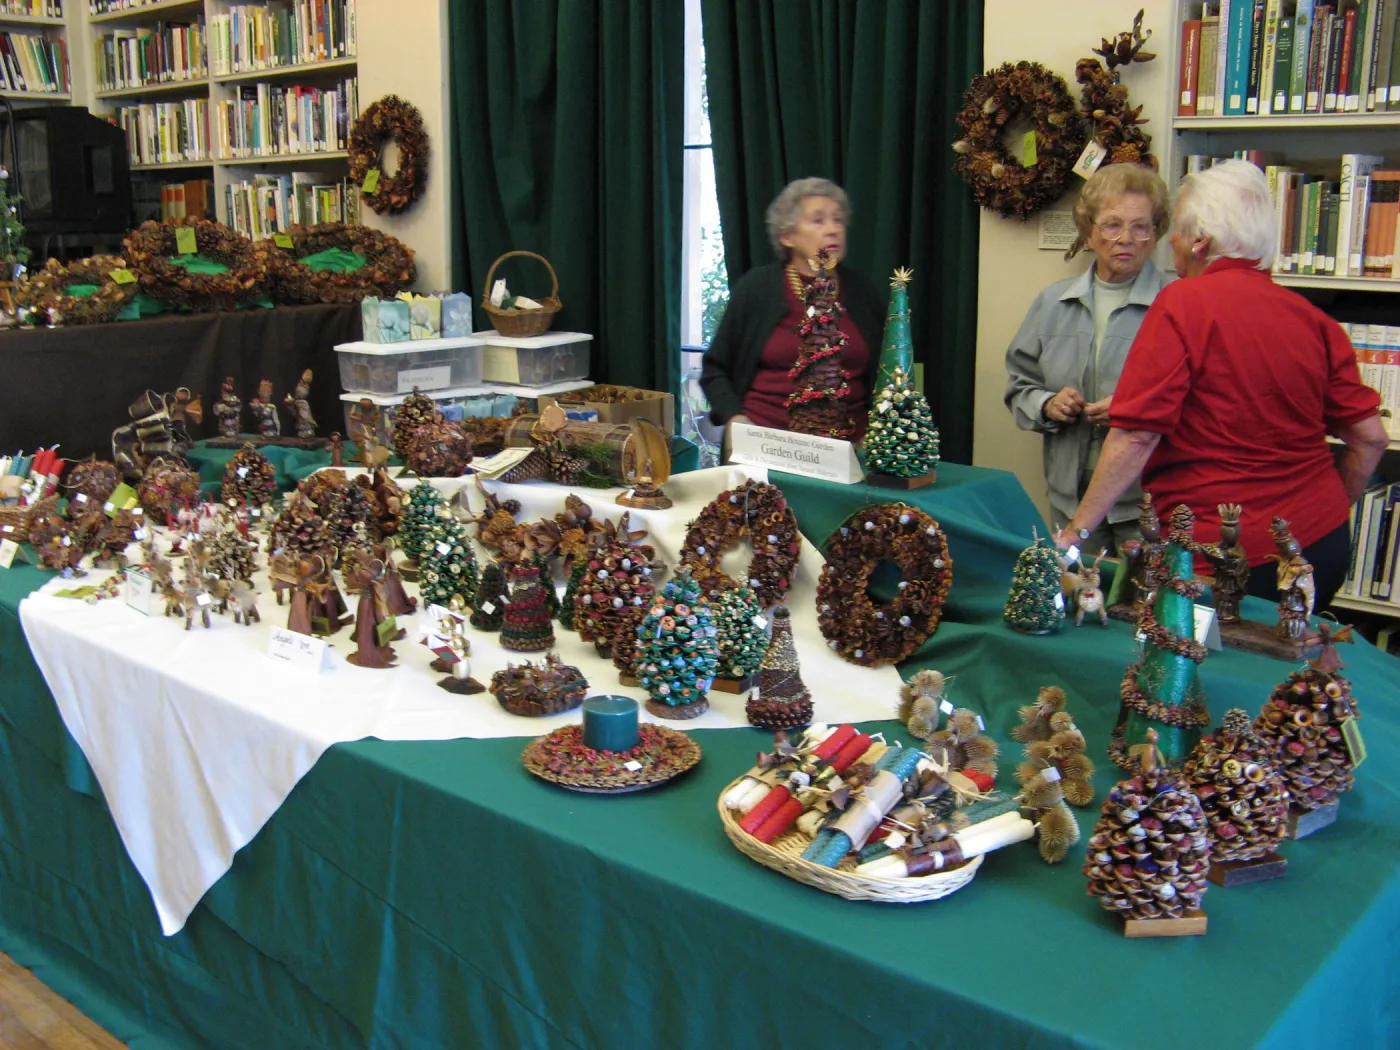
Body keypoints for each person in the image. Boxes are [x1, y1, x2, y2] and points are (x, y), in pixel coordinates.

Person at [1057, 159, 1389, 611]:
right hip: (1321, 545)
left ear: (1200, 241)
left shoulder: (1182, 303)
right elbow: (1370, 438)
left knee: (1191, 656)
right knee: (1290, 656)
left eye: (1176, 229)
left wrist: (1074, 534)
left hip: (1224, 557)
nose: (1170, 241)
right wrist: (1329, 510)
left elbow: (1136, 435)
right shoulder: (1314, 319)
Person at [1004, 163, 1173, 556]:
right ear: (1089, 231)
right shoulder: (1053, 303)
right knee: (1074, 591)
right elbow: (1019, 386)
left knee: (1144, 595)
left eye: (1140, 226)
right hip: (1070, 498)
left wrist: (1133, 411)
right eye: (1112, 225)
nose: (1126, 239)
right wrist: (1047, 404)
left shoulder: (1177, 303)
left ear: (1156, 232)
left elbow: (1199, 406)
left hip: (1149, 504)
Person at [700, 178, 883, 447]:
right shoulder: (757, 287)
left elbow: (889, 375)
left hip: (850, 448)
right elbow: (715, 369)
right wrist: (735, 419)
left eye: (838, 220)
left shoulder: (864, 292)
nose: (833, 229)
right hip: (764, 443)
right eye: (818, 221)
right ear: (788, 237)